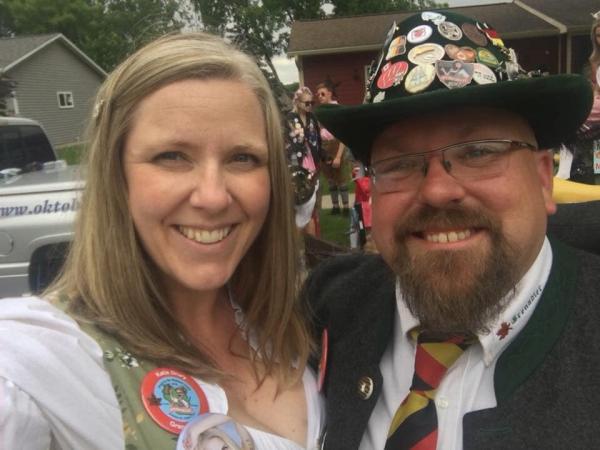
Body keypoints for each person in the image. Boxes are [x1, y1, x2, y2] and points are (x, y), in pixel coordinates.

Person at [0, 32, 323, 449]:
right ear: (117, 176)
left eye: (242, 158)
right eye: (172, 156)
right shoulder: (42, 360)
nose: (212, 196)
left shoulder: (295, 328)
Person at [307, 10, 598, 450]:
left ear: (543, 178)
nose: (438, 190)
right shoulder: (329, 309)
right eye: (400, 163)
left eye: (478, 151)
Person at [285, 86, 322, 235]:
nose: (309, 106)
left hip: (313, 163)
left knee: (312, 206)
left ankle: (312, 243)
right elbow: (286, 142)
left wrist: (323, 155)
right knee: (300, 203)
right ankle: (298, 242)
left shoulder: (312, 118)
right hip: (297, 165)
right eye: (306, 103)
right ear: (297, 102)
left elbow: (318, 139)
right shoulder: (289, 119)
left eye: (311, 103)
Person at [316, 81, 351, 215]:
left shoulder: (337, 110)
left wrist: (338, 156)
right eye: (318, 94)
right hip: (325, 149)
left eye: (322, 93)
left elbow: (343, 135)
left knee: (341, 180)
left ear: (330, 94)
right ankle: (335, 207)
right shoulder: (319, 112)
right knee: (330, 180)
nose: (320, 96)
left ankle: (346, 208)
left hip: (337, 147)